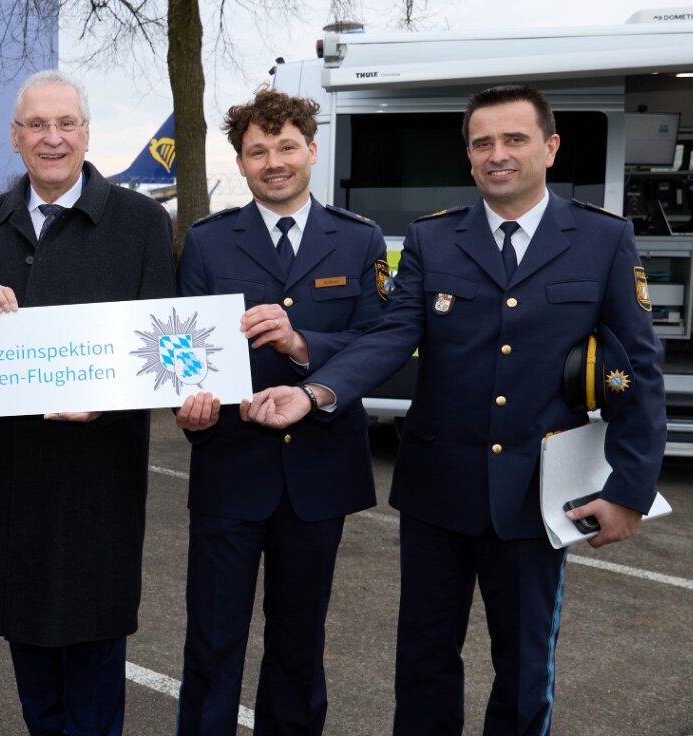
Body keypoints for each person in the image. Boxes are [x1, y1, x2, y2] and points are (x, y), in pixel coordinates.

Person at [239, 85, 667, 735]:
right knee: (423, 663)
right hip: (437, 494)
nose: (498, 154)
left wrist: (630, 488)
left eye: (514, 139)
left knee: (525, 671)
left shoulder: (602, 240)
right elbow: (390, 336)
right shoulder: (433, 240)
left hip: (534, 496)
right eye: (482, 142)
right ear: (468, 157)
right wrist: (313, 392)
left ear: (549, 148)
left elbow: (636, 370)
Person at [0, 69, 175, 734]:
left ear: (87, 133)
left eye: (66, 124)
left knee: (95, 660)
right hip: (12, 480)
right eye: (37, 124)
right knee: (32, 656)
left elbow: (166, 349)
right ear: (16, 137)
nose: (53, 137)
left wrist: (107, 399)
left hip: (100, 480)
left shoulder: (142, 223)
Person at [171, 88, 389, 735]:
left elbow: (382, 343)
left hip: (318, 477)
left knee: (299, 648)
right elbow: (182, 350)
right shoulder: (208, 244)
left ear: (312, 151)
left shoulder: (358, 240)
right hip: (230, 469)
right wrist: (188, 409)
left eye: (286, 146)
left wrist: (302, 347)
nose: (273, 161)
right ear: (239, 162)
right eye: (257, 150)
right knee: (211, 646)